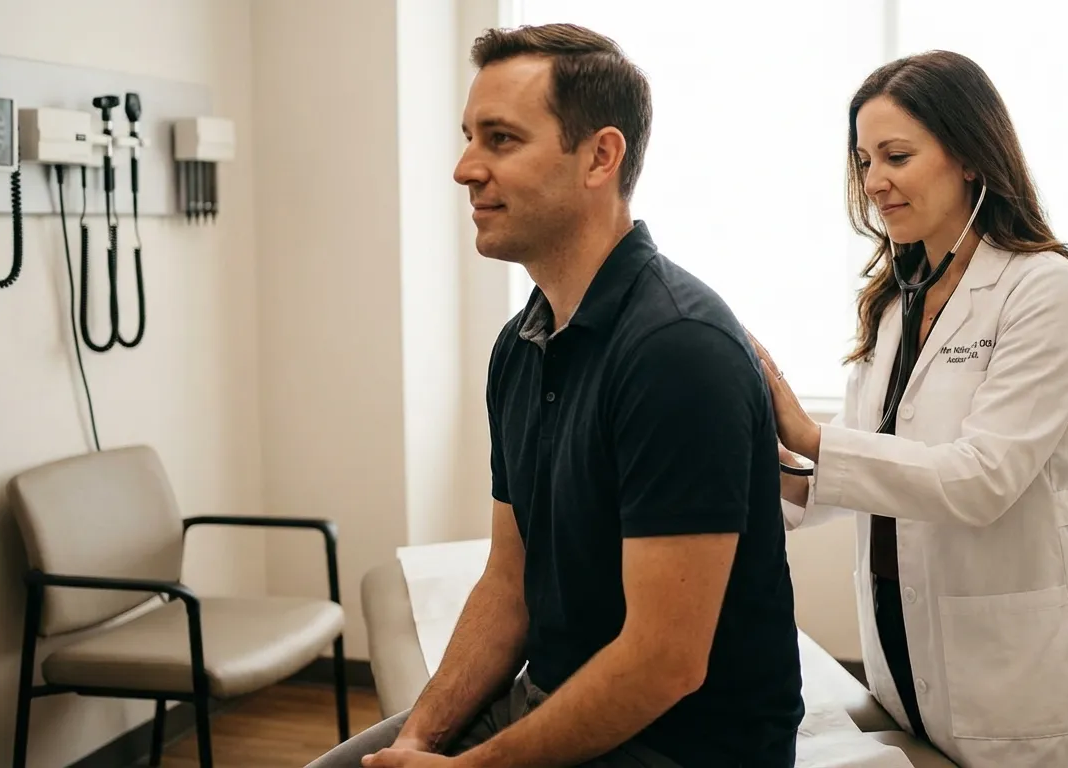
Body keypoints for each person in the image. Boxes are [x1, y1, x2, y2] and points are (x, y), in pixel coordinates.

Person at [309, 23, 804, 768]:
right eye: (469, 136)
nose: (464, 168)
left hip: (682, 746)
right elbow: (510, 584)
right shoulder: (522, 346)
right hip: (553, 697)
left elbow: (665, 663)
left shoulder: (677, 351)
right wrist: (417, 743)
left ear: (600, 156)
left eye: (501, 139)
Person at [746, 50, 1068, 768]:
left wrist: (809, 436)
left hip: (1014, 668)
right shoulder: (899, 298)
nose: (873, 182)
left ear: (971, 158)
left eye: (896, 155)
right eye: (863, 160)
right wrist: (746, 465)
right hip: (903, 644)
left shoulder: (1043, 288)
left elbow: (980, 480)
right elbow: (869, 474)